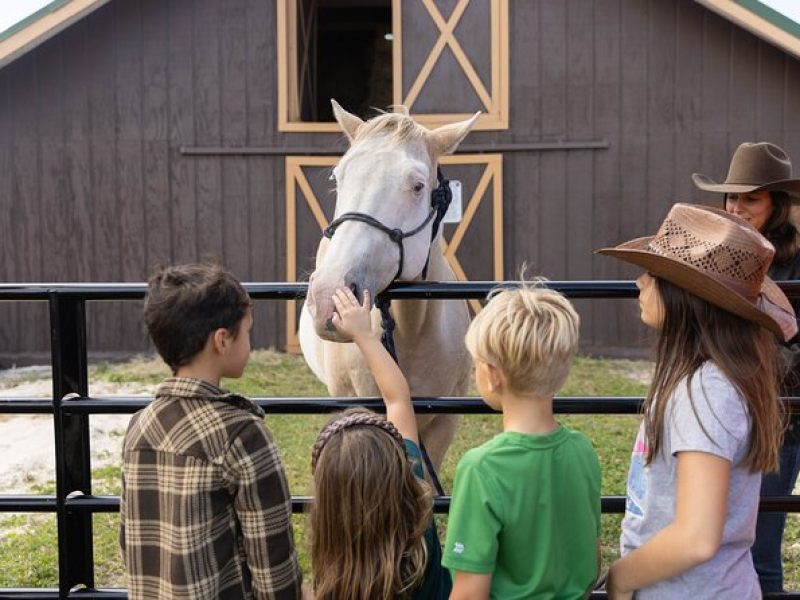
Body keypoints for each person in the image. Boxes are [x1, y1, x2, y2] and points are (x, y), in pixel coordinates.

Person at [598, 203, 798, 599]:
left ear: (685, 296)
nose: (639, 283)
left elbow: (696, 537)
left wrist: (620, 578)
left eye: (653, 274)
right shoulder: (709, 381)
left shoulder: (708, 391)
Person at [119, 263, 302, 599]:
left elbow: (129, 542)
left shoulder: (139, 426)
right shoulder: (243, 435)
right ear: (222, 340)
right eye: (247, 332)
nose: (249, 341)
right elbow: (274, 568)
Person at [442, 284, 601, 599]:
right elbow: (593, 561)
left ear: (492, 374)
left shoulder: (482, 468)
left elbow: (469, 593)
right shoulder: (582, 450)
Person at [693, 141, 800, 593]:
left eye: (750, 198)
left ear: (776, 205)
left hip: (778, 414)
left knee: (762, 542)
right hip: (728, 409)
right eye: (731, 197)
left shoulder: (793, 265)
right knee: (722, 532)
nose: (736, 207)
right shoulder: (721, 252)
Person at [309, 286, 451, 600]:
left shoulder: (332, 567)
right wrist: (366, 336)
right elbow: (398, 399)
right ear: (399, 470)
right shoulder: (417, 523)